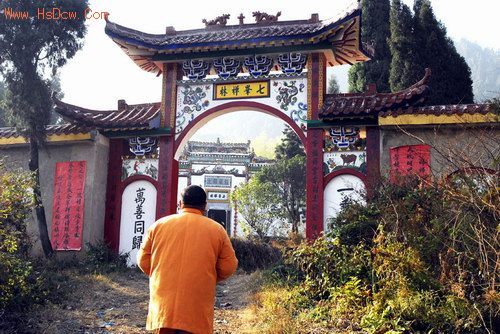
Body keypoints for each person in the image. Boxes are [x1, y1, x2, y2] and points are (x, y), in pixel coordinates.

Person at [137, 185, 238, 334]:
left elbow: (143, 261)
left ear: (180, 203)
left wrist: (161, 273)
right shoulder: (217, 230)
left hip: (164, 301)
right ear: (204, 206)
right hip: (197, 300)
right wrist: (209, 277)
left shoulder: (158, 226)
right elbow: (229, 266)